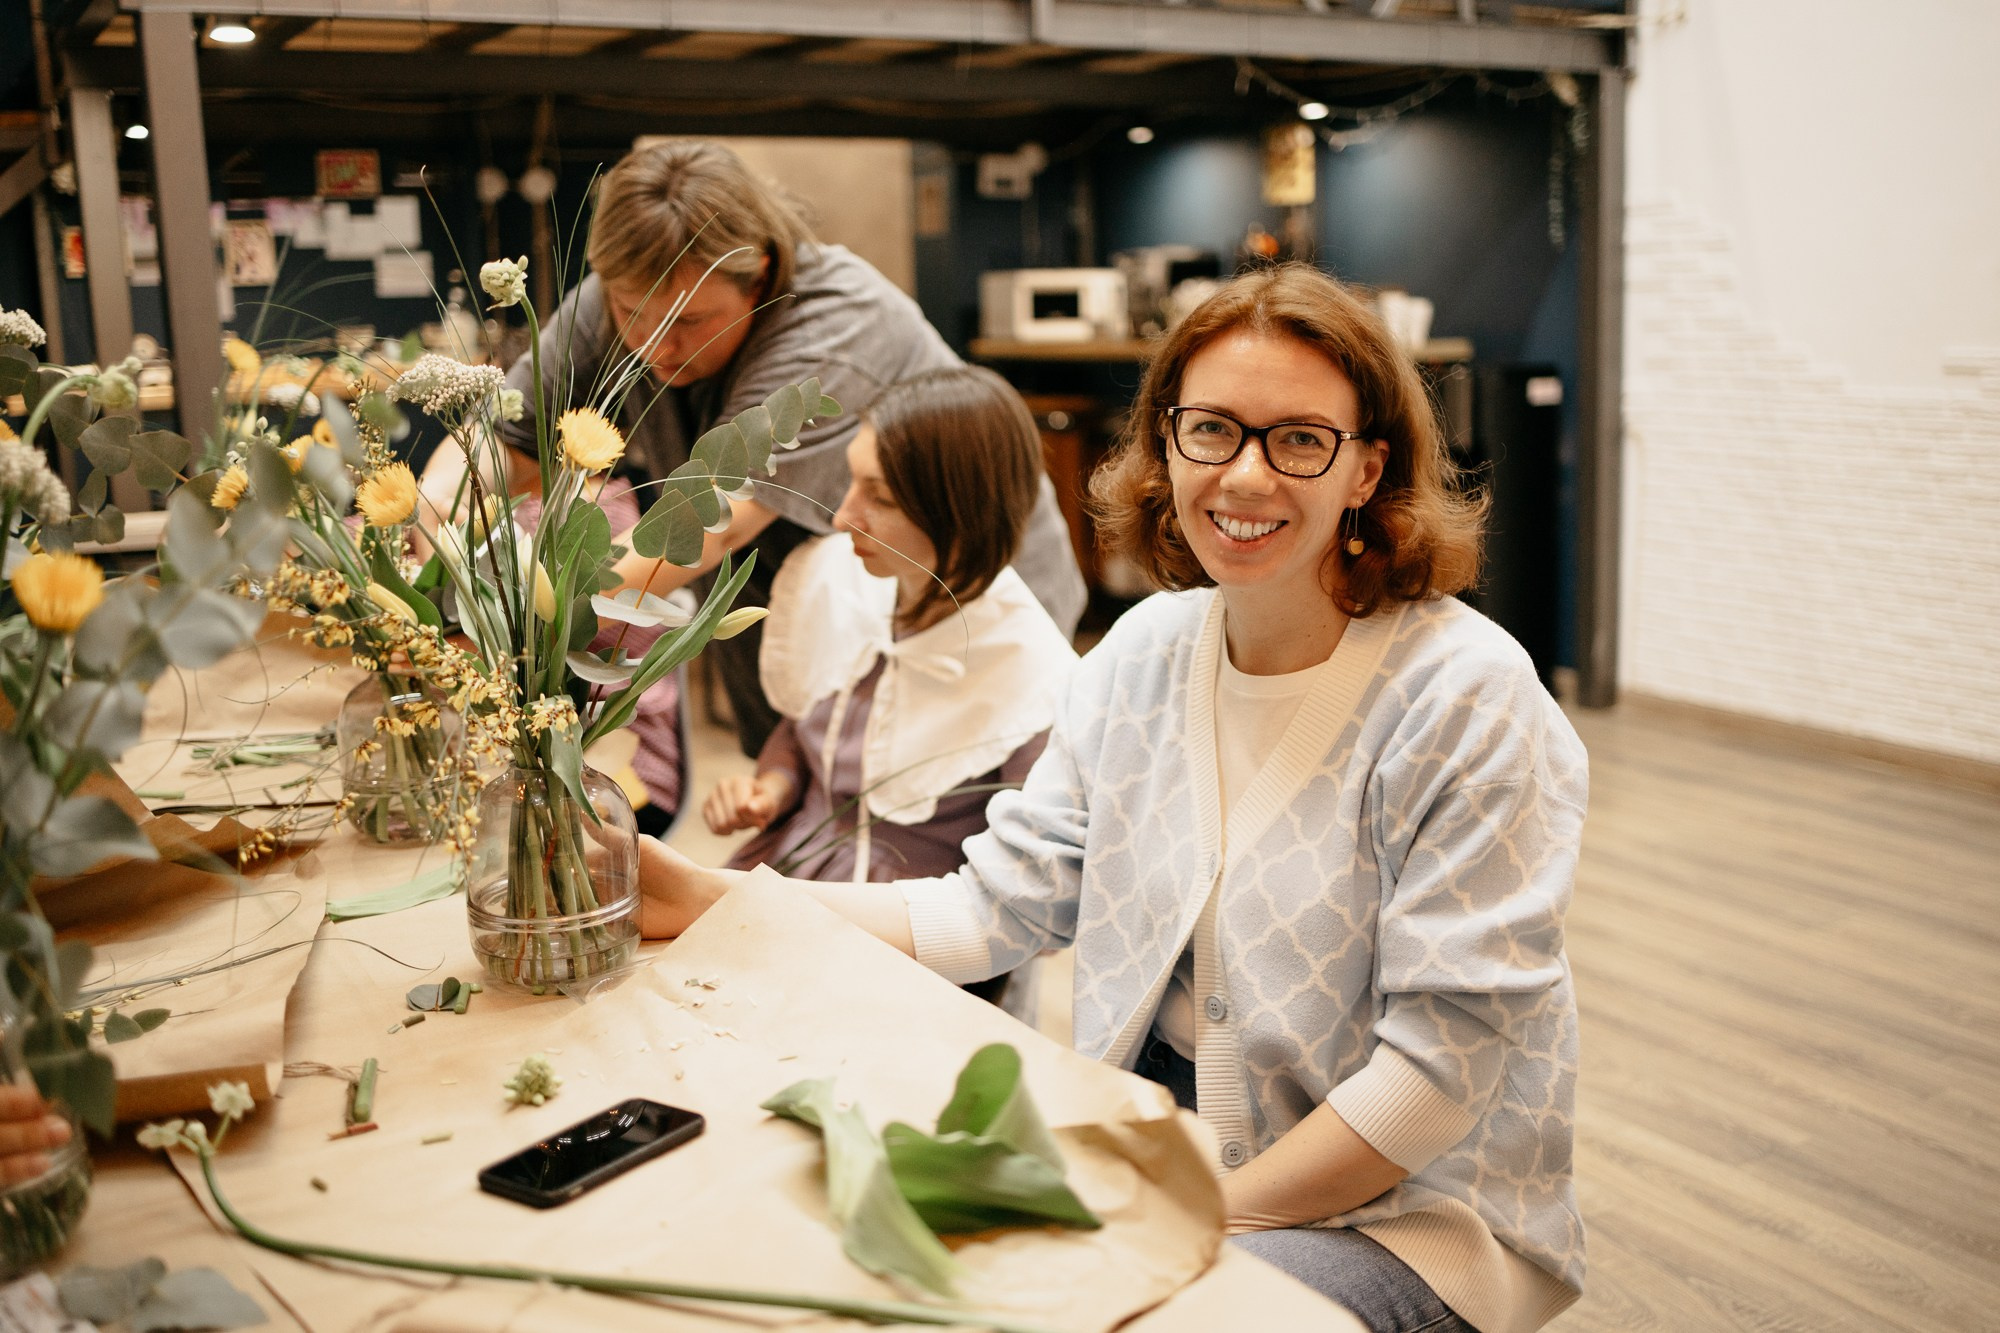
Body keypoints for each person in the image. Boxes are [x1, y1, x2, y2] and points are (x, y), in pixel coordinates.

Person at [640, 264, 1587, 1333]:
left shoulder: (1465, 699)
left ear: (1366, 468)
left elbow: (1430, 1082)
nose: (1244, 475)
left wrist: (1201, 1215)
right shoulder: (1139, 654)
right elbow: (988, 910)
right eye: (1211, 430)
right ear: (1165, 443)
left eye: (1298, 440)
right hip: (1156, 1151)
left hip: (1398, 1216)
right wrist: (710, 895)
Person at [417, 141, 1086, 833]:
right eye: (629, 313)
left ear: (759, 274)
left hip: (963, 604)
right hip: (810, 604)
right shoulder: (626, 294)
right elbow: (502, 446)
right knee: (800, 803)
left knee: (935, 828)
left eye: (692, 323)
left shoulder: (834, 321)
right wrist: (431, 544)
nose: (654, 345)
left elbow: (706, 527)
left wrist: (512, 629)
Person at [704, 366, 1077, 885]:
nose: (842, 517)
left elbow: (1036, 886)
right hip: (793, 870)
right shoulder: (847, 581)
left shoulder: (1034, 681)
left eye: (878, 497)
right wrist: (770, 789)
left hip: (910, 925)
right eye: (851, 482)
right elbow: (807, 726)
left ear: (958, 510)